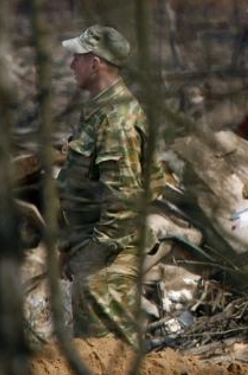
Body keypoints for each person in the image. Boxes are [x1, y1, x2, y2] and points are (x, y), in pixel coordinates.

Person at [57, 25, 163, 346]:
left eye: (77, 57)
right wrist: (70, 248)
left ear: (96, 63)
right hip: (96, 256)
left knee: (107, 355)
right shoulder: (102, 111)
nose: (71, 65)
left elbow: (125, 198)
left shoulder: (117, 120)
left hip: (108, 264)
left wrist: (93, 254)